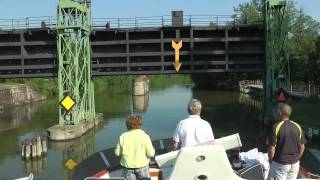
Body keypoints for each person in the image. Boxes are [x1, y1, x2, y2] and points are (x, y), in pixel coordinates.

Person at [267, 103, 306, 180]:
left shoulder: (275, 127)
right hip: (295, 165)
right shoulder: (297, 126)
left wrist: (271, 161)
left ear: (280, 113)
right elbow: (302, 147)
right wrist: (296, 158)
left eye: (276, 111)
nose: (275, 113)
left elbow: (271, 148)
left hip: (280, 164)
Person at [115, 115, 155, 180]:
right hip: (142, 166)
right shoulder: (144, 136)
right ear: (140, 124)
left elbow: (117, 153)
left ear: (127, 125)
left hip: (128, 167)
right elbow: (151, 153)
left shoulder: (122, 136)